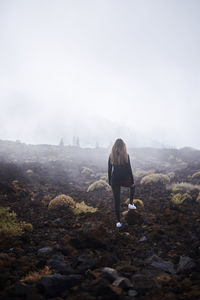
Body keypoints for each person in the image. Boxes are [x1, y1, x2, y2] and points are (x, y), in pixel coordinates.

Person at [108, 138, 136, 228]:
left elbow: (109, 170)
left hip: (115, 180)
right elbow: (129, 169)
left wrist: (109, 181)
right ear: (124, 146)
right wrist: (132, 181)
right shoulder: (126, 155)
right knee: (133, 187)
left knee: (117, 201)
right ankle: (131, 204)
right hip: (125, 180)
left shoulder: (111, 156)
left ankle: (118, 222)